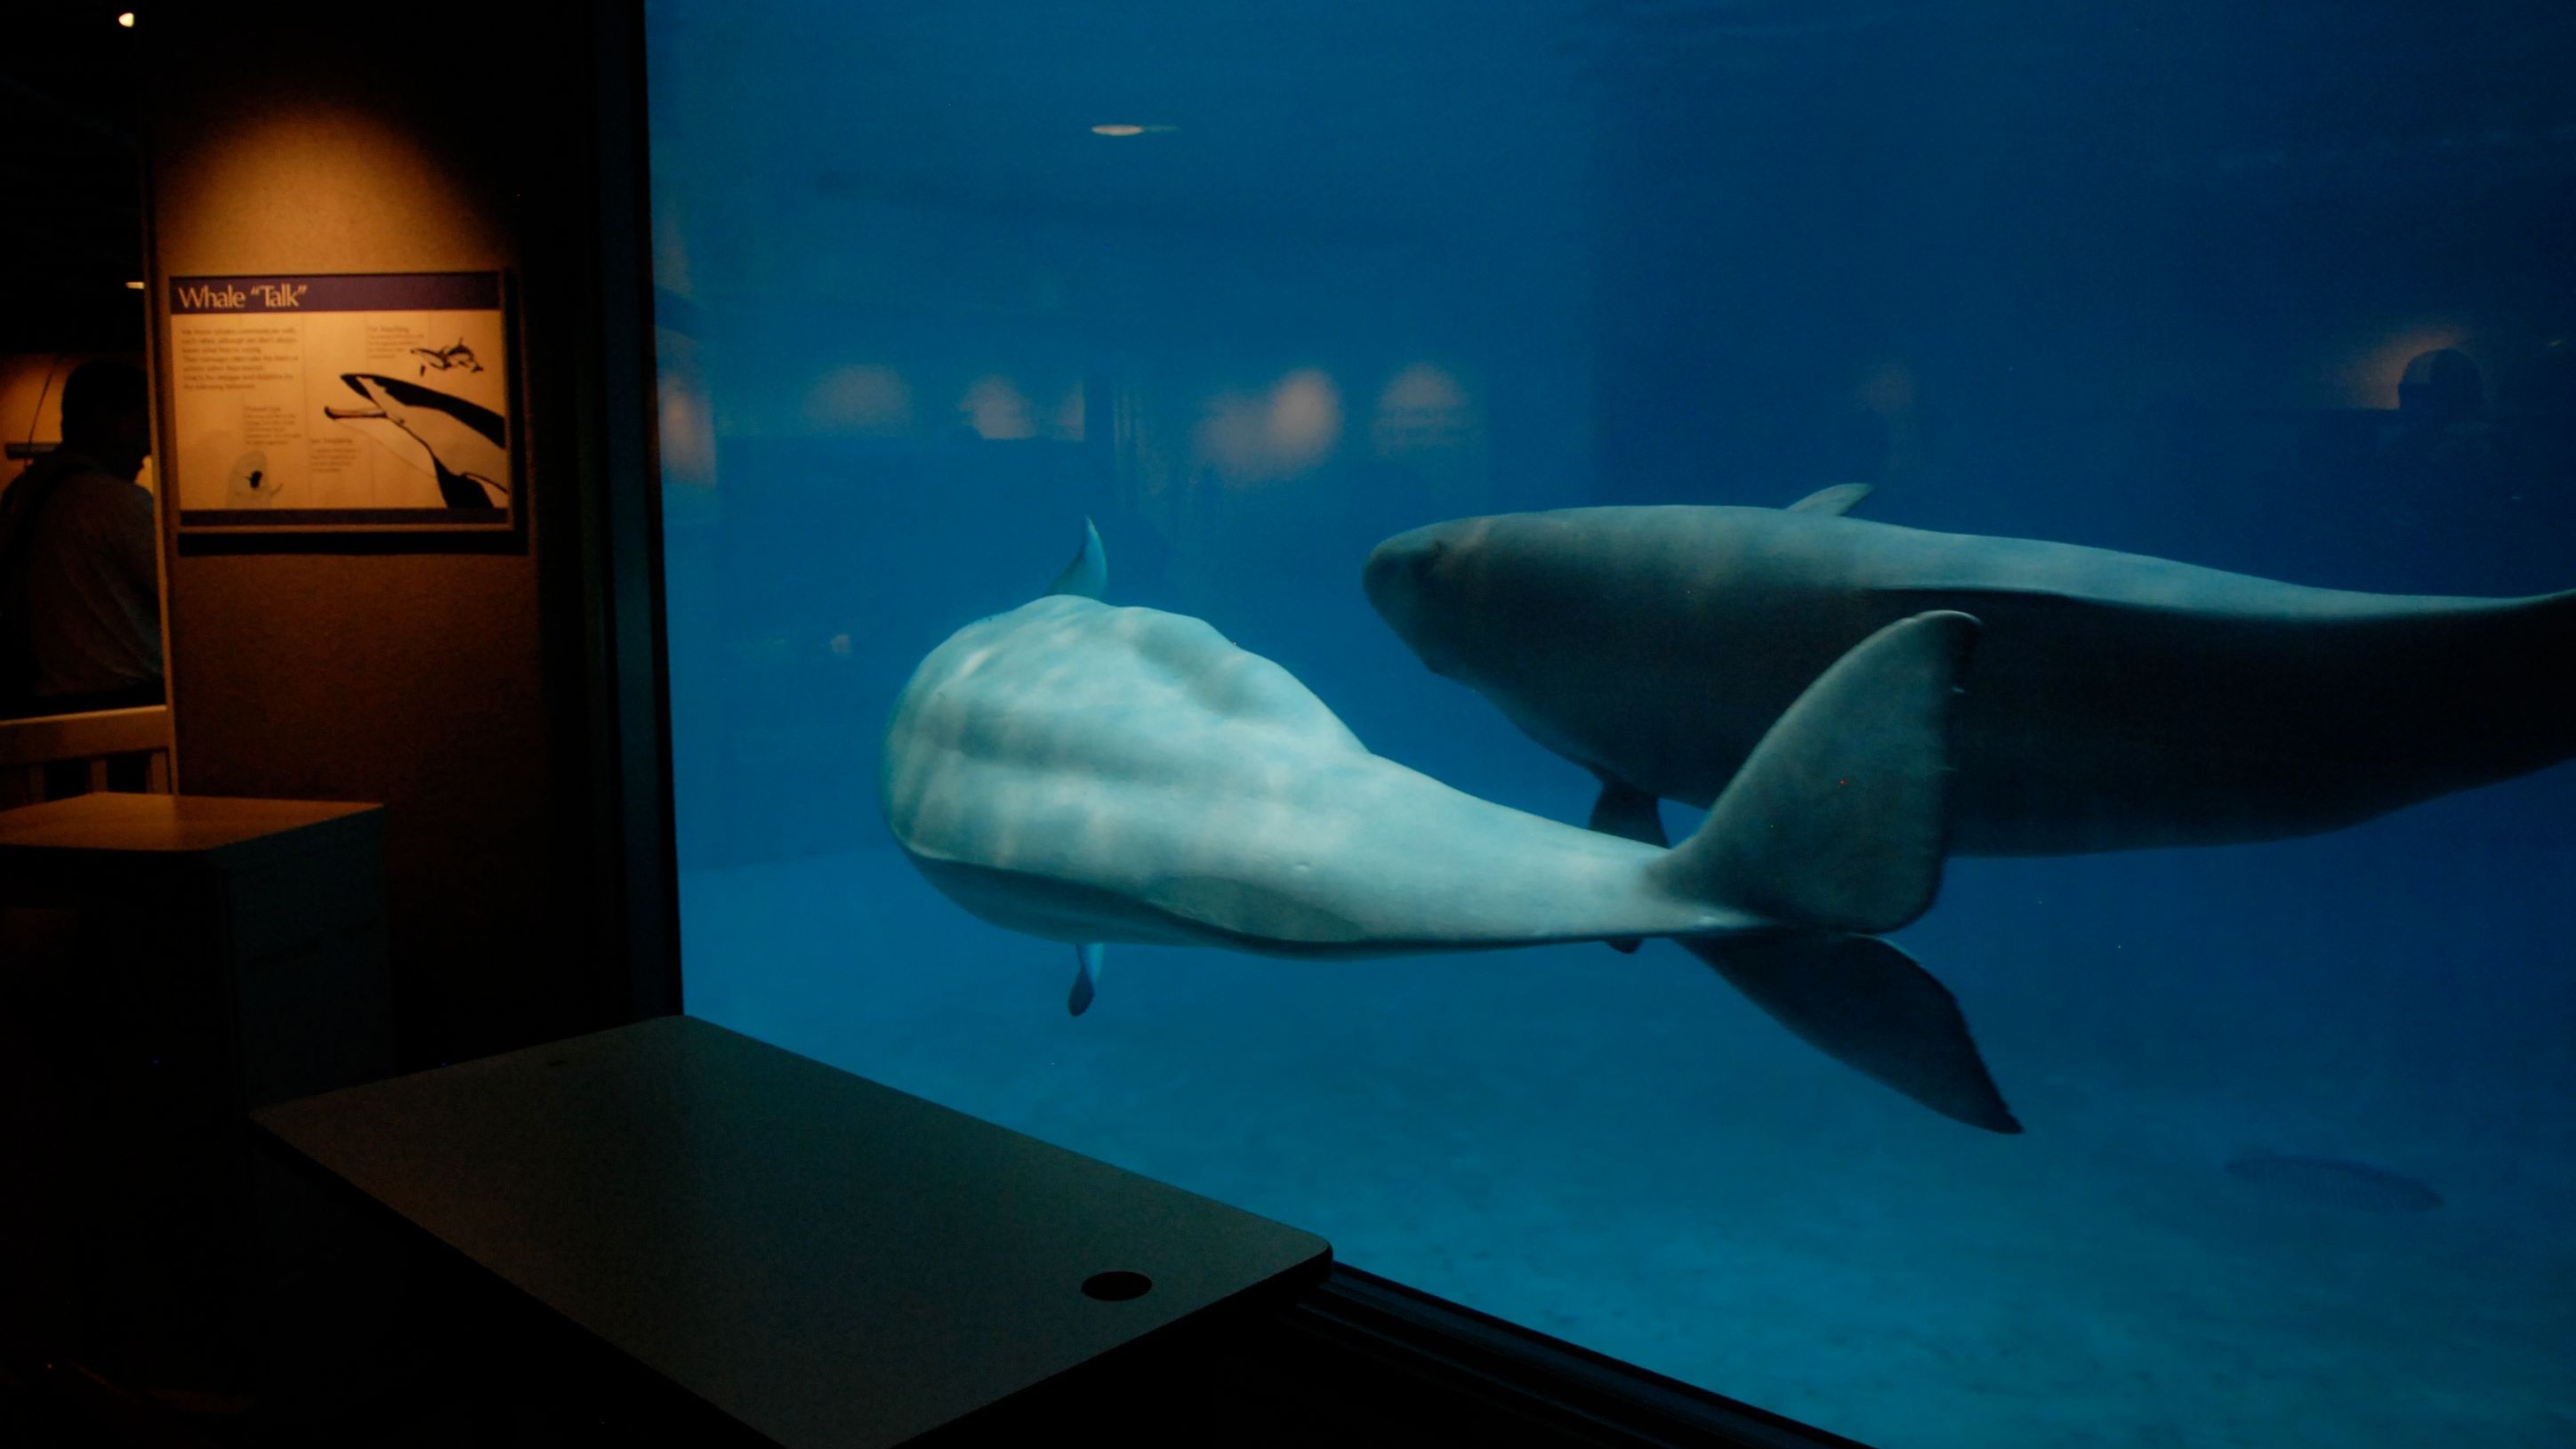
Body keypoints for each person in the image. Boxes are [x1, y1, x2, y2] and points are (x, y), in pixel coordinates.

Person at [0, 358, 164, 715]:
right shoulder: (114, 502)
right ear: (107, 419)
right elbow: (183, 600)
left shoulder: (21, 494)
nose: (148, 446)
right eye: (140, 422)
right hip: (123, 708)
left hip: (42, 709)